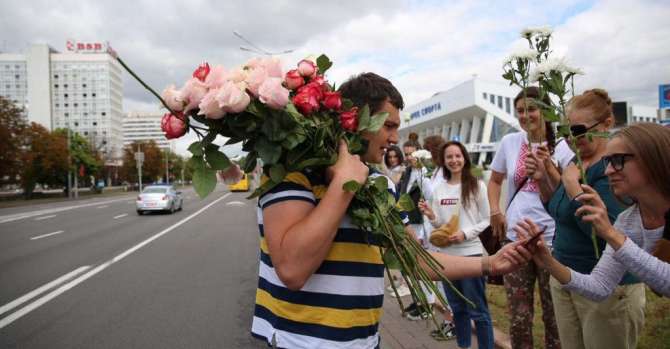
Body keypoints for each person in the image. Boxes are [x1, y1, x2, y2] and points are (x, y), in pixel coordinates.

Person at [252, 72, 533, 348]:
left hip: (365, 342)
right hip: (301, 342)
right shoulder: (291, 173)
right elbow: (292, 270)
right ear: (355, 118)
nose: (395, 138)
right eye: (388, 126)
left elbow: (416, 260)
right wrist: (344, 184)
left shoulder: (379, 185)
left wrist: (491, 264)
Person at [515, 123, 670, 348]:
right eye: (607, 162)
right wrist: (547, 260)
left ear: (651, 158)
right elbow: (599, 286)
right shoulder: (629, 220)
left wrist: (609, 233)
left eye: (617, 160)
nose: (608, 171)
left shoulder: (622, 224)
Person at [524, 89, 644, 349]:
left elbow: (606, 234)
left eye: (577, 130)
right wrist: (543, 178)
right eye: (564, 132)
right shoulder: (578, 164)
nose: (570, 139)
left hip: (608, 289)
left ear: (607, 125)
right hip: (567, 276)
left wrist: (572, 186)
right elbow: (559, 211)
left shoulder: (614, 168)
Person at [487, 86, 573, 349]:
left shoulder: (563, 145)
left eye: (532, 109)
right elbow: (495, 180)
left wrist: (548, 166)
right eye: (521, 110)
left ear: (545, 110)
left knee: (555, 316)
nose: (526, 115)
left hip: (553, 240)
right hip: (516, 239)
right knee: (519, 316)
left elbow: (569, 191)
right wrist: (495, 210)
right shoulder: (510, 143)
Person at [419, 141, 494, 349]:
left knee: (478, 310)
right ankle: (463, 345)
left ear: (464, 158)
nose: (454, 160)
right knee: (457, 308)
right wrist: (431, 215)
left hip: (471, 255)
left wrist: (465, 233)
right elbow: (441, 225)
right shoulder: (439, 188)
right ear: (443, 161)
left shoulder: (477, 185)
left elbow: (486, 219)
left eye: (458, 156)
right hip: (447, 257)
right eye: (449, 157)